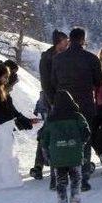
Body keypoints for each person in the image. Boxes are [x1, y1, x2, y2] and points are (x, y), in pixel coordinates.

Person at [50, 27, 102, 191]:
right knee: (84, 141)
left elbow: (53, 82)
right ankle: (82, 179)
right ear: (82, 40)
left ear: (70, 39)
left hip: (62, 106)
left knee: (62, 140)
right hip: (85, 105)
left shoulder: (58, 59)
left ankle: (59, 178)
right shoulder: (91, 58)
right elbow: (100, 81)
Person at [41, 90, 91, 203]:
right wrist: (81, 143)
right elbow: (86, 132)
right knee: (76, 179)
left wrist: (46, 151)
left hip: (58, 158)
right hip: (74, 155)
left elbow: (44, 137)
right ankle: (75, 201)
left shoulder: (50, 119)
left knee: (61, 181)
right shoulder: (77, 116)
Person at [31, 30, 69, 181]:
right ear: (59, 41)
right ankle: (38, 166)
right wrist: (53, 102)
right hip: (50, 101)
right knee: (47, 131)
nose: (68, 43)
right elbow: (45, 83)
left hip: (65, 100)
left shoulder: (66, 56)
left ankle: (65, 162)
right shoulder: (47, 58)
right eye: (65, 40)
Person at [0, 62, 34, 132]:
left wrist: (24, 120)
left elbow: (10, 108)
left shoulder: (1, 89)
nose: (6, 80)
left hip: (0, 120)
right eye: (5, 77)